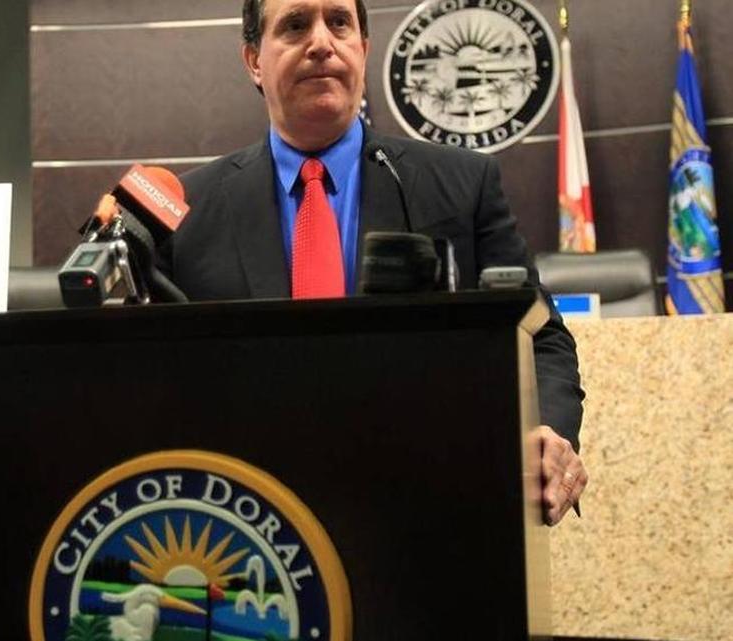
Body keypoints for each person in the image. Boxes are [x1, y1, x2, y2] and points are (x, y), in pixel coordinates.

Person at [158, 0, 587, 524]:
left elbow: (541, 337)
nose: (321, 42)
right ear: (253, 60)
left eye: (339, 23)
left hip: (429, 510)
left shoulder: (459, 185)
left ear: (362, 49)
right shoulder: (187, 211)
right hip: (250, 523)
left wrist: (548, 430)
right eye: (295, 26)